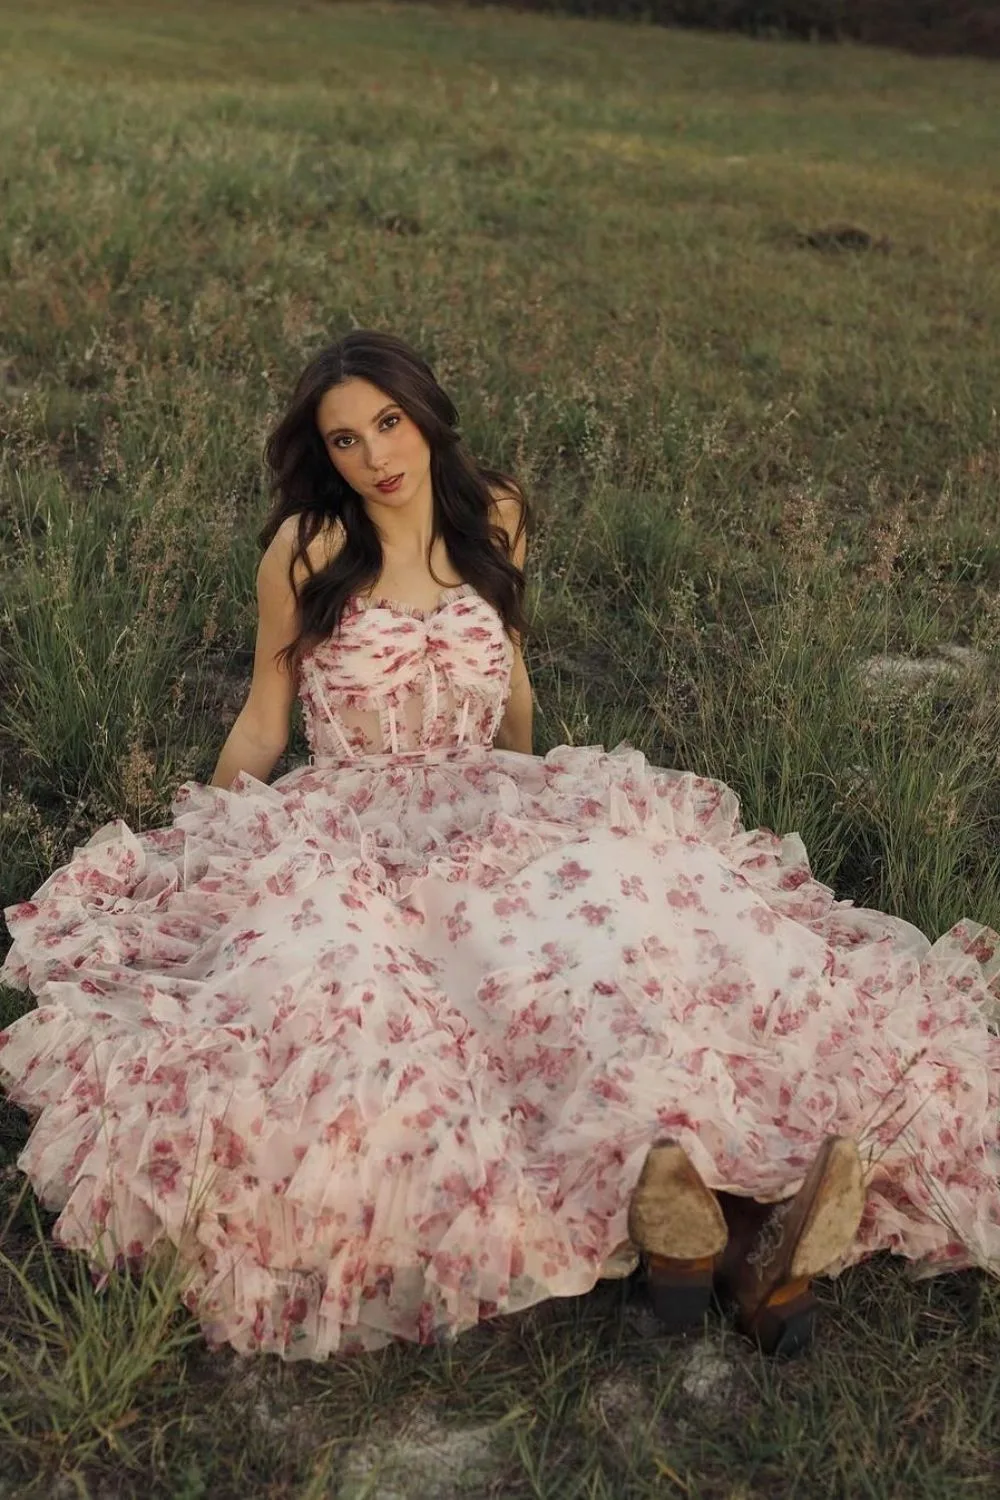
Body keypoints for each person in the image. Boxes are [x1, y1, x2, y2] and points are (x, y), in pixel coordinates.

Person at [1, 329, 998, 1364]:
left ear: (425, 416)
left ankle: (726, 1224)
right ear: (324, 455)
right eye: (345, 440)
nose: (375, 456)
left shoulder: (499, 515)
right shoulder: (305, 549)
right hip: (351, 823)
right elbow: (264, 718)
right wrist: (193, 853)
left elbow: (512, 682)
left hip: (492, 802)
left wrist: (538, 810)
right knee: (405, 1023)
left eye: (389, 424)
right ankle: (721, 1244)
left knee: (629, 942)